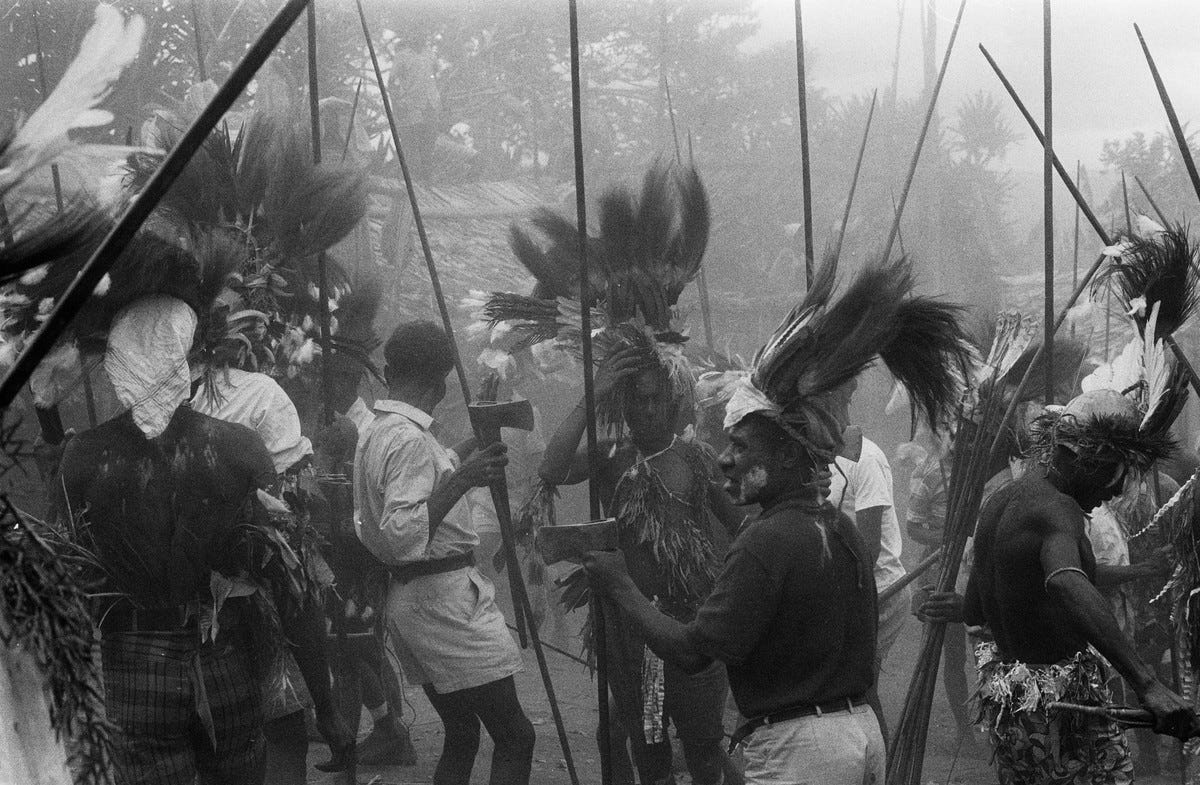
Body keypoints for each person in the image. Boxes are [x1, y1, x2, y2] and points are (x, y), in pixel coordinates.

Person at [586, 258, 971, 784]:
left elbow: (692, 652)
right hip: (858, 738)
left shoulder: (768, 542)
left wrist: (619, 585)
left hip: (802, 751)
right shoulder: (838, 530)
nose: (725, 459)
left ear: (789, 459)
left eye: (740, 446)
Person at [54, 295, 350, 784]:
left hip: (133, 664)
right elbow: (292, 585)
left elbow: (60, 591)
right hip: (223, 658)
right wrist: (326, 705)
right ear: (186, 358)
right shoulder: (235, 448)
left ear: (116, 365)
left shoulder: (84, 457)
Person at [958, 389, 1199, 784]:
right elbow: (1066, 580)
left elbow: (973, 611)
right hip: (1062, 708)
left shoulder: (1000, 502)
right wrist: (1148, 683)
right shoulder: (1057, 508)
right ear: (1083, 460)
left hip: (1016, 708)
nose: (1117, 491)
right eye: (1115, 472)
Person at [541, 344, 737, 785]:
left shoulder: (696, 459)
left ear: (672, 404)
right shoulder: (611, 458)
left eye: (656, 399)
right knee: (649, 750)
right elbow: (551, 470)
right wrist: (592, 394)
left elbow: (741, 526)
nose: (647, 409)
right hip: (634, 641)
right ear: (623, 404)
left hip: (691, 634)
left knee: (703, 750)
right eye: (637, 399)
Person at [354, 320, 535, 785]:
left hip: (414, 600)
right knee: (516, 736)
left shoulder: (380, 430)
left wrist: (469, 450)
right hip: (444, 602)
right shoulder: (410, 439)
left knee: (461, 732)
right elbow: (401, 531)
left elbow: (421, 477)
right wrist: (464, 479)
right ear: (440, 381)